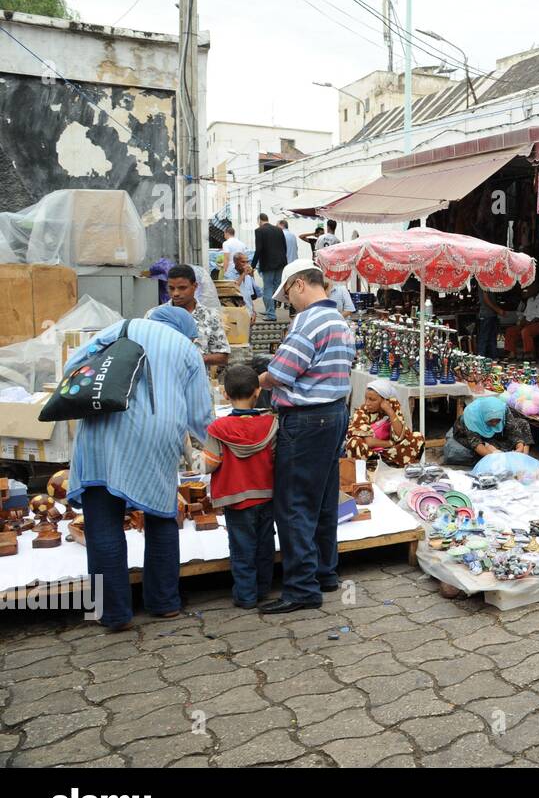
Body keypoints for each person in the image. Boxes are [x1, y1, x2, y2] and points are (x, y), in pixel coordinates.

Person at [66, 306, 213, 631]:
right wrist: (220, 451)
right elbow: (200, 415)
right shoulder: (186, 348)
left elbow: (71, 367)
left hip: (100, 429)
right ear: (188, 332)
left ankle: (113, 613)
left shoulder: (117, 329)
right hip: (154, 434)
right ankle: (164, 603)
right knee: (160, 516)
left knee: (102, 523)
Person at [257, 259, 355, 614]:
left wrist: (260, 380)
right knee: (324, 500)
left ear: (299, 284)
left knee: (295, 503)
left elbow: (282, 372)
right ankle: (326, 574)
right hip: (334, 414)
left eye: (287, 296)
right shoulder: (339, 320)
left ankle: (301, 588)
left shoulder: (308, 319)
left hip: (307, 419)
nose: (289, 304)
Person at [202, 365, 276, 609]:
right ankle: (263, 589)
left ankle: (245, 595)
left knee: (242, 548)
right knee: (264, 545)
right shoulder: (270, 424)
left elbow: (209, 465)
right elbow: (276, 459)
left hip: (235, 499)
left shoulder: (218, 428)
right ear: (257, 392)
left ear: (225, 393)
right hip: (266, 495)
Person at [150, 263, 230, 369]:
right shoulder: (154, 316)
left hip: (198, 381)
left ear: (195, 286)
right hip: (164, 381)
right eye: (171, 288)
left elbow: (223, 357)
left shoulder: (210, 316)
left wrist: (196, 358)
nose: (176, 293)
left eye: (182, 288)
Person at [344, 378, 426, 467]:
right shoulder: (362, 411)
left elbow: (400, 436)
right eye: (366, 398)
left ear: (384, 400)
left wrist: (390, 412)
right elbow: (369, 442)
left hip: (388, 452)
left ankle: (404, 467)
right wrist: (389, 443)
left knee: (417, 437)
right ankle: (366, 470)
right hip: (369, 453)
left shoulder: (393, 405)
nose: (367, 403)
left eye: (372, 399)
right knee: (355, 442)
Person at [444, 396, 533, 464]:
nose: (495, 424)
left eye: (497, 421)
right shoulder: (472, 418)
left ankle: (523, 457)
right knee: (489, 448)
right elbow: (477, 445)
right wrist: (495, 457)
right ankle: (495, 448)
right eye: (491, 421)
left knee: (523, 424)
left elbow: (514, 431)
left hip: (492, 432)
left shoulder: (502, 410)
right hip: (467, 433)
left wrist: (519, 447)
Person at [252, 212, 287, 322]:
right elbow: (284, 247)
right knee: (276, 287)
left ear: (259, 220)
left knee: (267, 287)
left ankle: (271, 314)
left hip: (267, 264)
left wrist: (252, 265)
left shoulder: (259, 231)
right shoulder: (279, 230)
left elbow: (259, 249)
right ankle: (269, 309)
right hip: (281, 263)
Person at [505, 283, 539, 359]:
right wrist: (520, 323)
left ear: (536, 289)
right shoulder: (530, 300)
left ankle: (529, 353)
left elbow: (538, 318)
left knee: (526, 331)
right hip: (528, 323)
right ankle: (512, 352)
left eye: (529, 288)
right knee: (510, 330)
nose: (528, 290)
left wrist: (526, 324)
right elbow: (525, 315)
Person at [476, 286, 508, 358]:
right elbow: (486, 299)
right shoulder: (483, 282)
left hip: (491, 314)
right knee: (485, 338)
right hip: (486, 314)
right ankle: (482, 358)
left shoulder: (487, 282)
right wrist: (498, 310)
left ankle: (493, 357)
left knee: (491, 338)